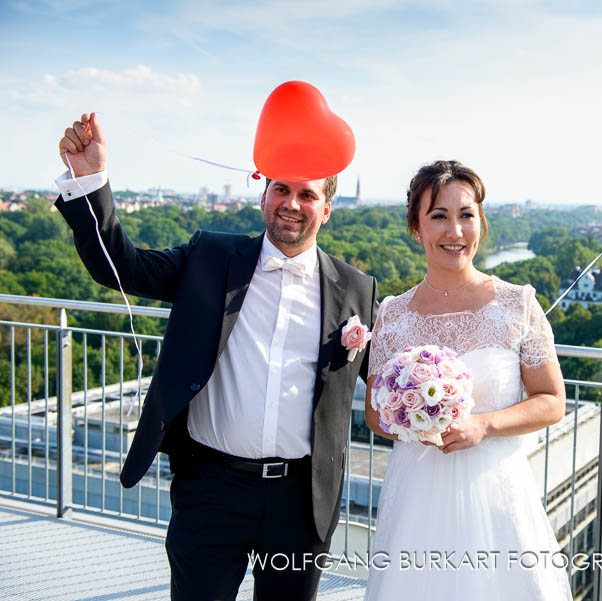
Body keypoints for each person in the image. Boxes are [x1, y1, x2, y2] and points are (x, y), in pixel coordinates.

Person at [55, 113, 378, 601]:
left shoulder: (356, 289)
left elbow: (392, 378)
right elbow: (118, 267)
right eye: (281, 190)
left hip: (302, 501)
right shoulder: (208, 257)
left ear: (327, 208)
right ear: (263, 195)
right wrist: (90, 179)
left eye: (308, 194)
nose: (292, 204)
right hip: (210, 489)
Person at [362, 160, 573, 599]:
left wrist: (484, 424)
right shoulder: (393, 314)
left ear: (481, 224)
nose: (454, 231)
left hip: (495, 498)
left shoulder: (518, 305)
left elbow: (552, 400)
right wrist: (413, 418)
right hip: (416, 502)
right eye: (438, 216)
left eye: (466, 215)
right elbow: (374, 415)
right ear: (416, 228)